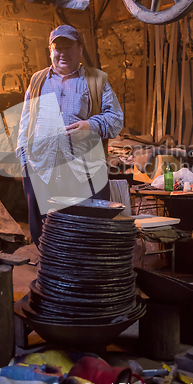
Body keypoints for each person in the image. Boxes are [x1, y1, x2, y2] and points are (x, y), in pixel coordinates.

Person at [17, 24, 123, 247]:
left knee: (84, 231)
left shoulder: (96, 80)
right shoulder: (37, 81)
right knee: (47, 232)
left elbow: (116, 120)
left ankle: (81, 275)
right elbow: (25, 122)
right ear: (50, 50)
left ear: (80, 50)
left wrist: (91, 124)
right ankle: (51, 273)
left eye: (68, 47)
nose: (62, 53)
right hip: (42, 170)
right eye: (58, 48)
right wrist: (24, 160)